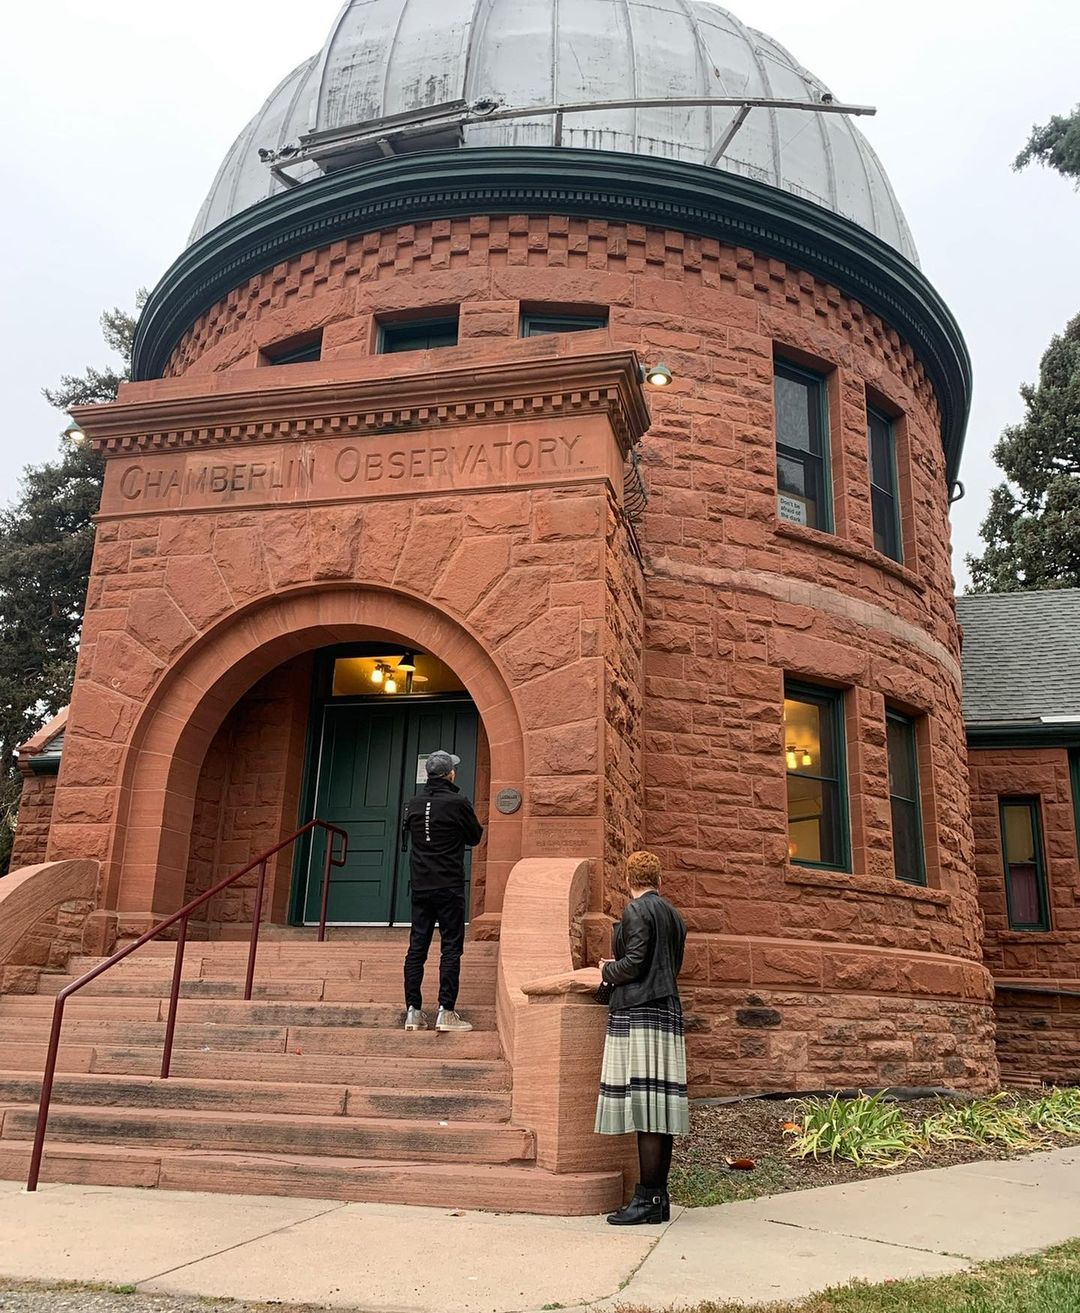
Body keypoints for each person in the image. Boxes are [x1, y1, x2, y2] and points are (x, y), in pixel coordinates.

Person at [595, 850, 689, 1225]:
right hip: (666, 1010)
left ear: (629, 879)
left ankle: (647, 1201)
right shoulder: (674, 915)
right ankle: (658, 1199)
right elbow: (668, 964)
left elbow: (634, 963)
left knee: (646, 1109)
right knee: (659, 1108)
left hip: (639, 1011)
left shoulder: (636, 910)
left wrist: (607, 969)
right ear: (659, 879)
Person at [400, 749, 484, 1033]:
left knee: (417, 947)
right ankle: (446, 1010)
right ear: (449, 774)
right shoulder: (458, 802)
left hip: (421, 886)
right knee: (450, 947)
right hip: (448, 885)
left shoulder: (413, 803)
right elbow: (475, 836)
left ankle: (413, 1010)